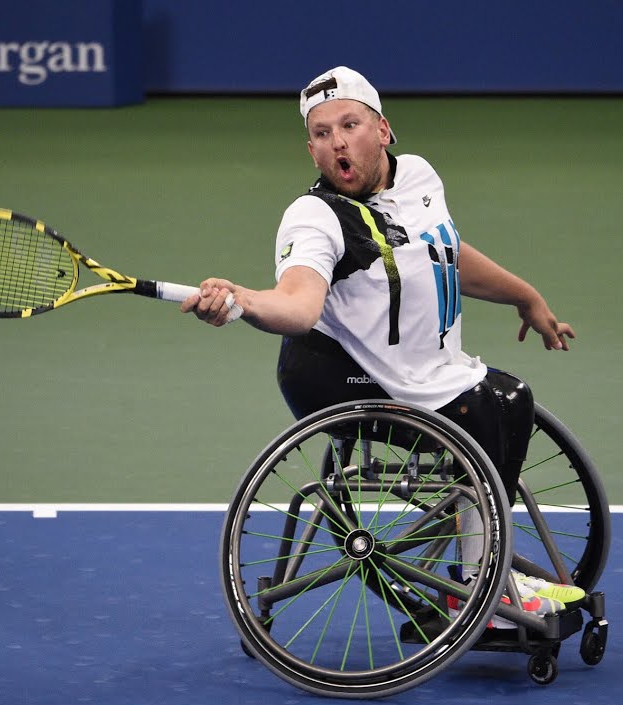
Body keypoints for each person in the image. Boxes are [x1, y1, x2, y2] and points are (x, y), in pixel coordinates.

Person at [181, 66, 583, 621]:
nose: (337, 142)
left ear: (384, 130)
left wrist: (525, 296)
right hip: (336, 374)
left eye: (349, 125)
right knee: (480, 412)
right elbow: (298, 305)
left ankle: (484, 560)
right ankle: (479, 587)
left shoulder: (418, 176)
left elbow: (443, 252)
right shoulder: (315, 218)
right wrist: (244, 301)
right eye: (322, 133)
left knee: (512, 398)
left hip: (413, 365)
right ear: (312, 151)